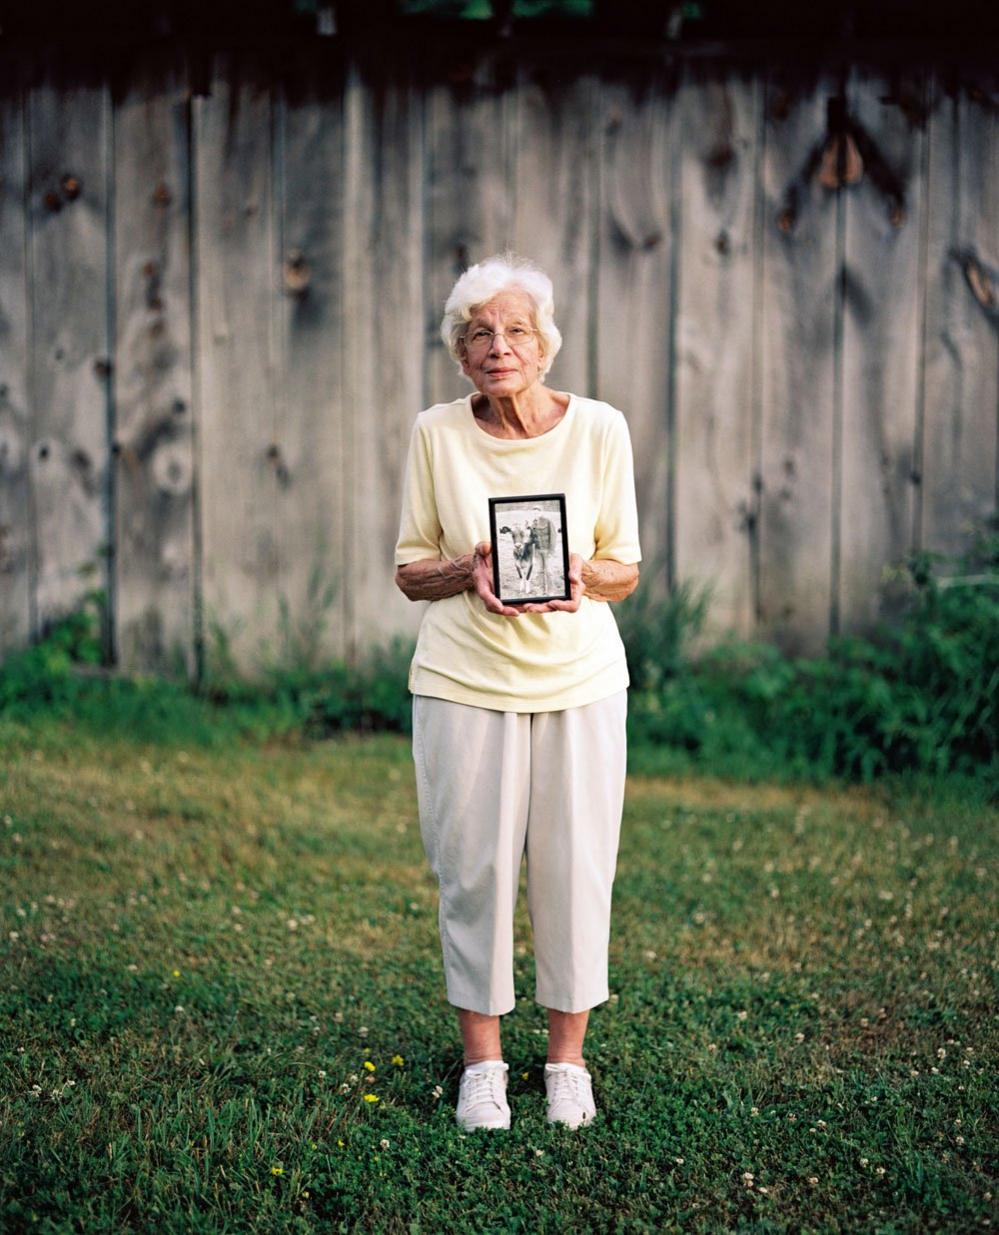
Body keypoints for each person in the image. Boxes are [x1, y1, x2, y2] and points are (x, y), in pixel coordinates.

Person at [394, 252, 642, 1133]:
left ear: (545, 346)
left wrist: (580, 574)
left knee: (577, 869)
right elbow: (409, 570)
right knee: (474, 872)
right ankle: (484, 1065)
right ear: (460, 356)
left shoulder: (600, 428)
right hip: (462, 682)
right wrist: (472, 567)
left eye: (515, 331)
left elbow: (626, 567)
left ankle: (567, 1062)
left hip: (579, 681)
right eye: (478, 335)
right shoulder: (435, 432)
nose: (498, 347)